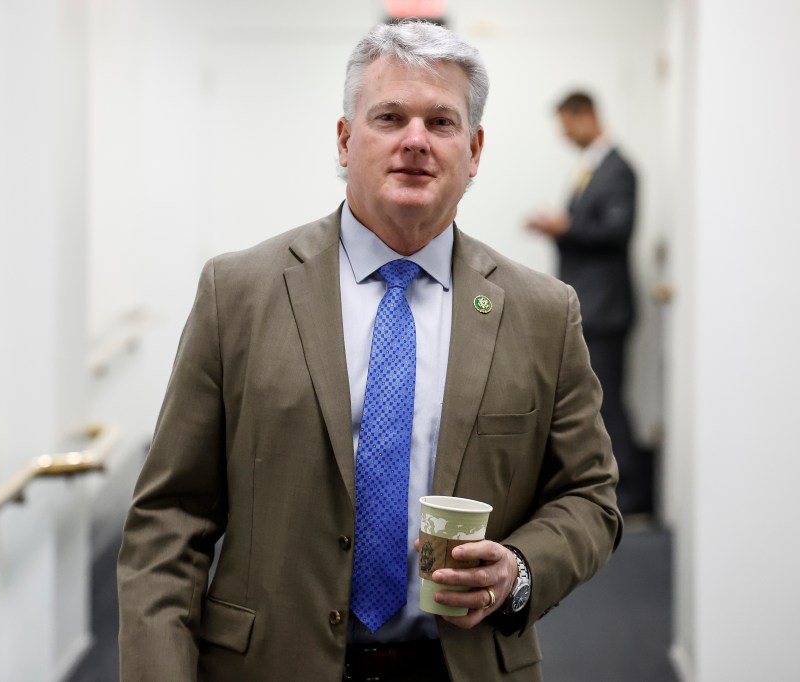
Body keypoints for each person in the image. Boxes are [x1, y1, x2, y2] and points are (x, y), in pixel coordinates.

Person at [118, 21, 622, 682]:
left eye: (441, 122)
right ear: (345, 139)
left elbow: (589, 496)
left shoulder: (542, 313)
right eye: (389, 116)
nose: (415, 140)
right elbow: (170, 520)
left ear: (473, 150)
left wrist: (522, 571)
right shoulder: (237, 293)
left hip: (462, 665)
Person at [526, 92, 649, 515]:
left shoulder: (619, 168)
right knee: (596, 399)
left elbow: (616, 232)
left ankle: (630, 495)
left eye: (566, 124)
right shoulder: (592, 167)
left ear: (588, 115)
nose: (563, 134)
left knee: (608, 400)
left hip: (606, 308)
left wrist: (566, 226)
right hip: (592, 306)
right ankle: (608, 488)